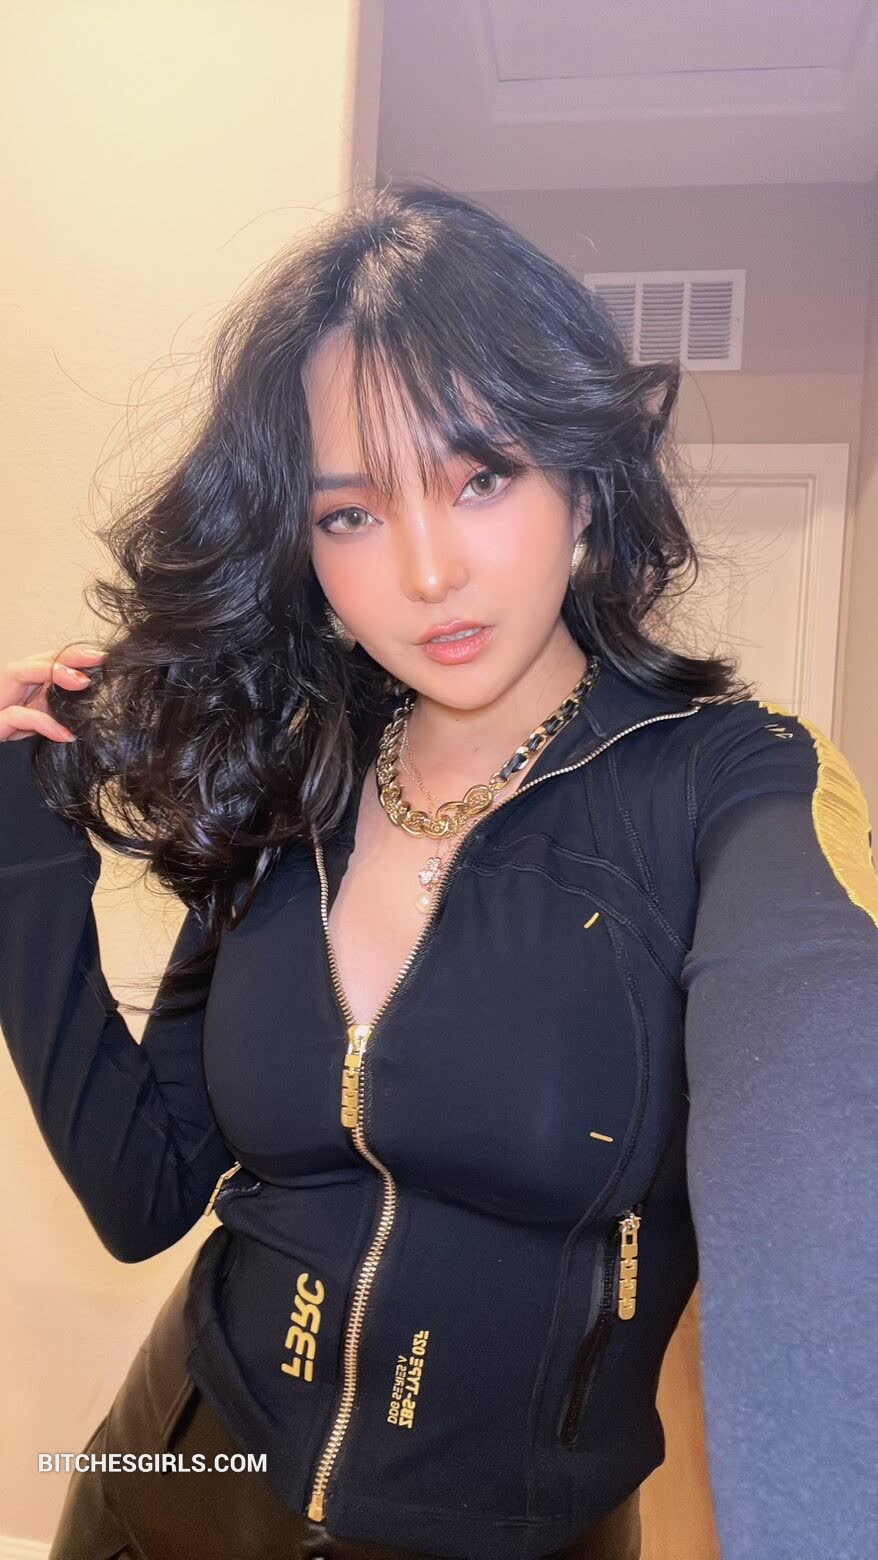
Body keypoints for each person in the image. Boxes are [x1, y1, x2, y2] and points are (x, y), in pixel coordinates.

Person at [0, 183, 875, 1560]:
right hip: (157, 1488)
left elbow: (825, 1111)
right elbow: (141, 1193)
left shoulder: (729, 784)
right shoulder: (298, 779)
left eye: (480, 478)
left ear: (583, 483)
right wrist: (18, 839)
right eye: (350, 514)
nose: (425, 570)